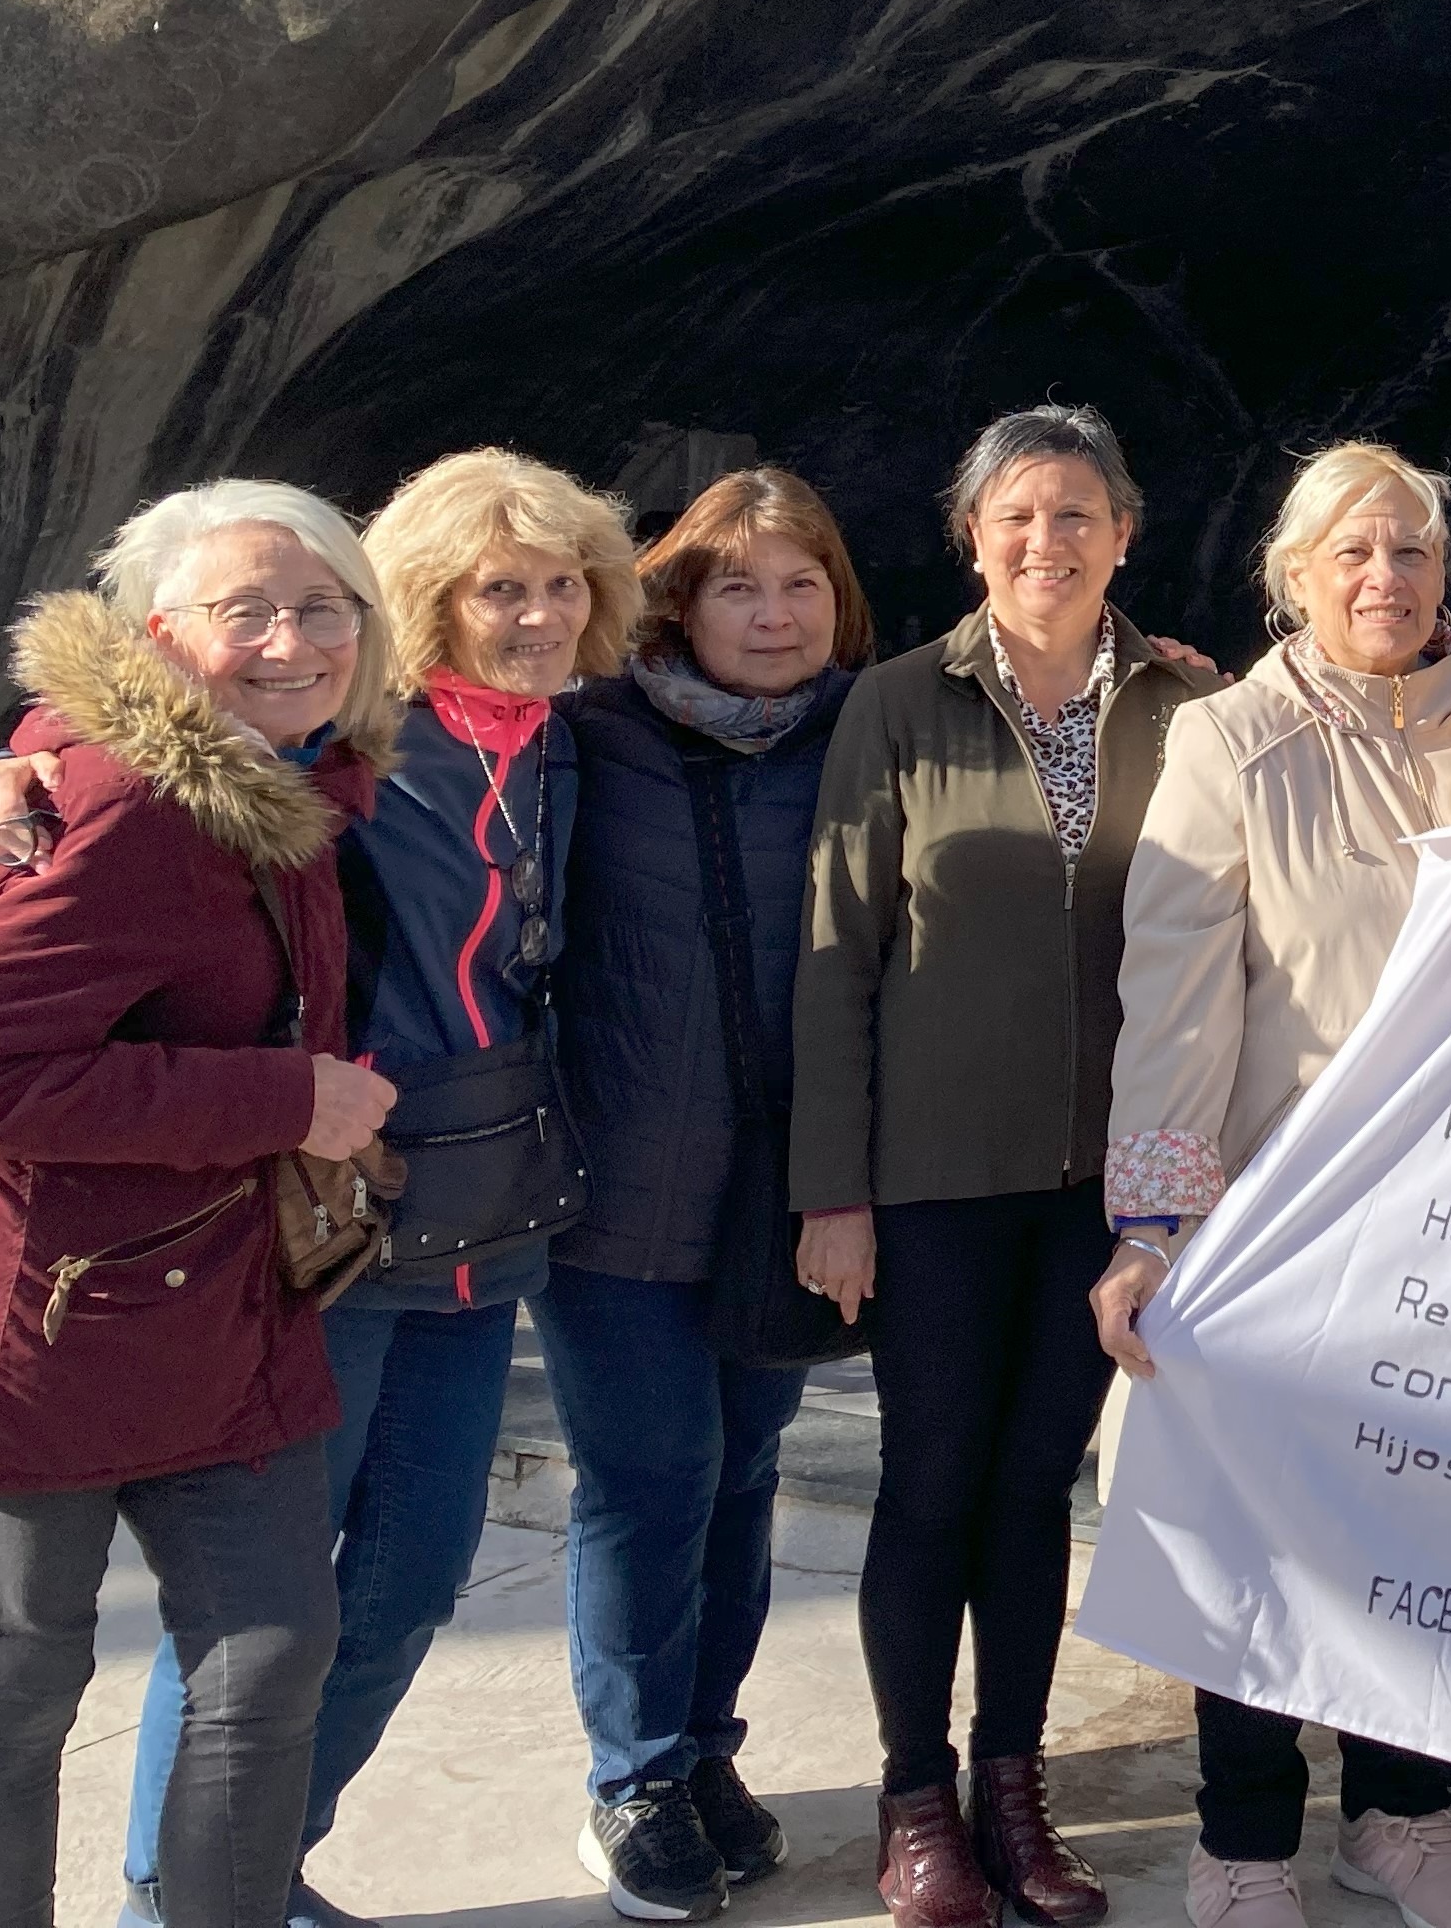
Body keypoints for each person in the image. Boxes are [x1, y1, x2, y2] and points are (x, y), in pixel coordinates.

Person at [110, 451, 631, 1928]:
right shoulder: (340, 740)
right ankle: (174, 1902)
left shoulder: (567, 744)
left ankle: (254, 1871)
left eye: (557, 585)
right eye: (496, 589)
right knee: (255, 1612)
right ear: (423, 599)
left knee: (409, 1581)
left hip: (482, 1226)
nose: (533, 616)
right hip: (325, 1228)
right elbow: (133, 762)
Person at [1094, 441, 1451, 1928]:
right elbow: (1176, 996)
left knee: (1424, 1526)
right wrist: (1153, 1227)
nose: (1385, 580)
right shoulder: (1228, 739)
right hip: (1276, 1205)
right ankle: (1242, 1838)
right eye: (1352, 554)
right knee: (1260, 1532)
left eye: (1413, 552)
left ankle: (1402, 1812)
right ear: (1293, 575)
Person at [791, 403, 1218, 1928]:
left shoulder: (1186, 708)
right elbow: (837, 955)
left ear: (1126, 533)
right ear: (971, 536)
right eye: (1018, 516)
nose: (1049, 541)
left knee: (1036, 1490)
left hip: (1109, 1185)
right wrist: (831, 1192)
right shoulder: (897, 704)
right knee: (930, 1485)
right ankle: (918, 1803)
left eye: (1079, 514)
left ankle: (1015, 1791)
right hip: (933, 1178)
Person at [0, 484, 402, 1928]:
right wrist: (285, 1104)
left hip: (223, 1309)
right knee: (15, 1691)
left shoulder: (286, 783)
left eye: (326, 605)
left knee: (273, 1655)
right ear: (161, 639)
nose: (295, 639)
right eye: (249, 613)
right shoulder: (121, 803)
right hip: (53, 1319)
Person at [539, 468, 880, 1920]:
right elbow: (363, 733)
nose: (773, 611)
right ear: (677, 596)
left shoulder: (871, 729)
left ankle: (699, 1748)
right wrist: (13, 761)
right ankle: (630, 1774)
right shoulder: (586, 725)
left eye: (801, 581)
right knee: (647, 1480)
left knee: (743, 1472)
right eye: (739, 582)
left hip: (778, 1186)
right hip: (613, 1181)